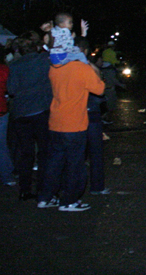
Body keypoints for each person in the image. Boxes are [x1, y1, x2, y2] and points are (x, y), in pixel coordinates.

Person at [37, 37, 105, 212]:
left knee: (54, 163)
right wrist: (91, 67)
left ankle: (46, 197)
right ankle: (69, 200)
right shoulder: (82, 69)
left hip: (55, 122)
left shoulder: (55, 67)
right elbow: (100, 89)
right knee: (75, 165)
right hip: (74, 124)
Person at [7, 31, 53, 201]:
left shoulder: (14, 65)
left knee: (26, 153)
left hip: (21, 114)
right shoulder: (43, 60)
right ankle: (42, 188)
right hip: (40, 110)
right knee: (43, 151)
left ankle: (24, 189)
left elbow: (11, 89)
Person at [0, 54, 15, 187]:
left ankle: (6, 174)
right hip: (2, 111)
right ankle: (6, 175)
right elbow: (9, 89)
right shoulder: (4, 70)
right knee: (2, 145)